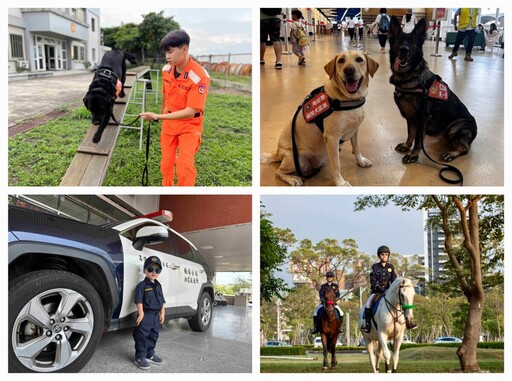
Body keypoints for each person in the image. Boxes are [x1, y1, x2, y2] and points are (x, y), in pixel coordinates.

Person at [140, 30, 210, 186]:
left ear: (185, 49)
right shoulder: (166, 70)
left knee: (184, 167)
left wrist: (157, 117)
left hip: (189, 126)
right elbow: (165, 95)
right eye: (166, 52)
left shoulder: (199, 76)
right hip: (169, 124)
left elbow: (190, 112)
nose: (167, 57)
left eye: (170, 52)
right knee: (166, 165)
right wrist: (162, 114)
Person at [360, 246, 418, 333]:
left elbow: (394, 280)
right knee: (368, 304)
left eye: (386, 254)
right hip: (376, 292)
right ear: (379, 256)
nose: (384, 256)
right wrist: (379, 288)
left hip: (388, 292)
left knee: (403, 302)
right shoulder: (375, 267)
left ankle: (408, 322)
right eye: (382, 254)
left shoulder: (390, 267)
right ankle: (366, 324)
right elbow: (373, 280)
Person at [132, 256, 166, 370]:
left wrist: (162, 313)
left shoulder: (158, 285)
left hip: (156, 316)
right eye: (150, 269)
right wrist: (140, 314)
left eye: (157, 270)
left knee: (154, 335)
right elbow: (139, 300)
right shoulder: (142, 286)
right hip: (146, 315)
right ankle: (140, 356)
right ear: (144, 270)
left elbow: (162, 301)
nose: (154, 272)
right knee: (141, 335)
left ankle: (149, 354)